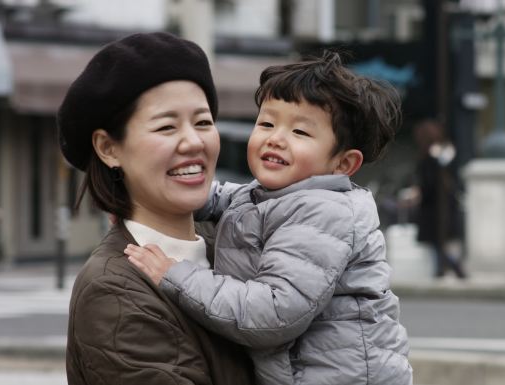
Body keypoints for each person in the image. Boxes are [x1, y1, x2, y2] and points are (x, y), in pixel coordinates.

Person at [124, 51, 413, 385]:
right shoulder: (273, 195)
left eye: (300, 132)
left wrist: (177, 276)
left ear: (343, 164)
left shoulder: (322, 213)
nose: (276, 138)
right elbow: (224, 198)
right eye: (266, 123)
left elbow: (274, 314)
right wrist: (159, 194)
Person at [58, 32, 254, 385]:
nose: (194, 141)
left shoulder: (238, 243)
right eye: (166, 126)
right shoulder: (114, 292)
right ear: (108, 148)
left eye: (203, 122)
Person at [413, 119, 467, 279]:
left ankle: (448, 268)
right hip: (444, 205)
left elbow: (428, 183)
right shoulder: (445, 154)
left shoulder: (428, 158)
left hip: (433, 207)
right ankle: (444, 269)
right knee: (438, 242)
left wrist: (419, 194)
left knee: (437, 241)